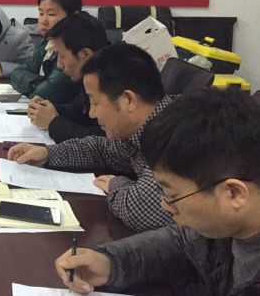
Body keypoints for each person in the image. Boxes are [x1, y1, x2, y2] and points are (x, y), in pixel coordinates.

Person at [53, 88, 260, 295]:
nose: (164, 204)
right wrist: (110, 262)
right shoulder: (224, 227)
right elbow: (181, 241)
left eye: (173, 196)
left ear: (234, 193)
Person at [8, 43, 174, 232]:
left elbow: (142, 211)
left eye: (95, 102)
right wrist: (48, 154)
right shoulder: (142, 128)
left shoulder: (174, 135)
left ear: (128, 100)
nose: (92, 113)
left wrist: (116, 184)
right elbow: (101, 149)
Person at [28, 11, 109, 142]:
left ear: (85, 55)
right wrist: (49, 108)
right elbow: (80, 110)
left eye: (62, 56)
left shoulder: (113, 81)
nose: (59, 65)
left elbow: (103, 141)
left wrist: (53, 123)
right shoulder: (92, 75)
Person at [10, 0, 82, 103]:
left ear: (73, 16)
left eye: (51, 14)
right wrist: (39, 83)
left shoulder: (74, 48)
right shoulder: (47, 40)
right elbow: (16, 74)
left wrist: (34, 86)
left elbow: (43, 95)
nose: (43, 21)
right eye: (41, 13)